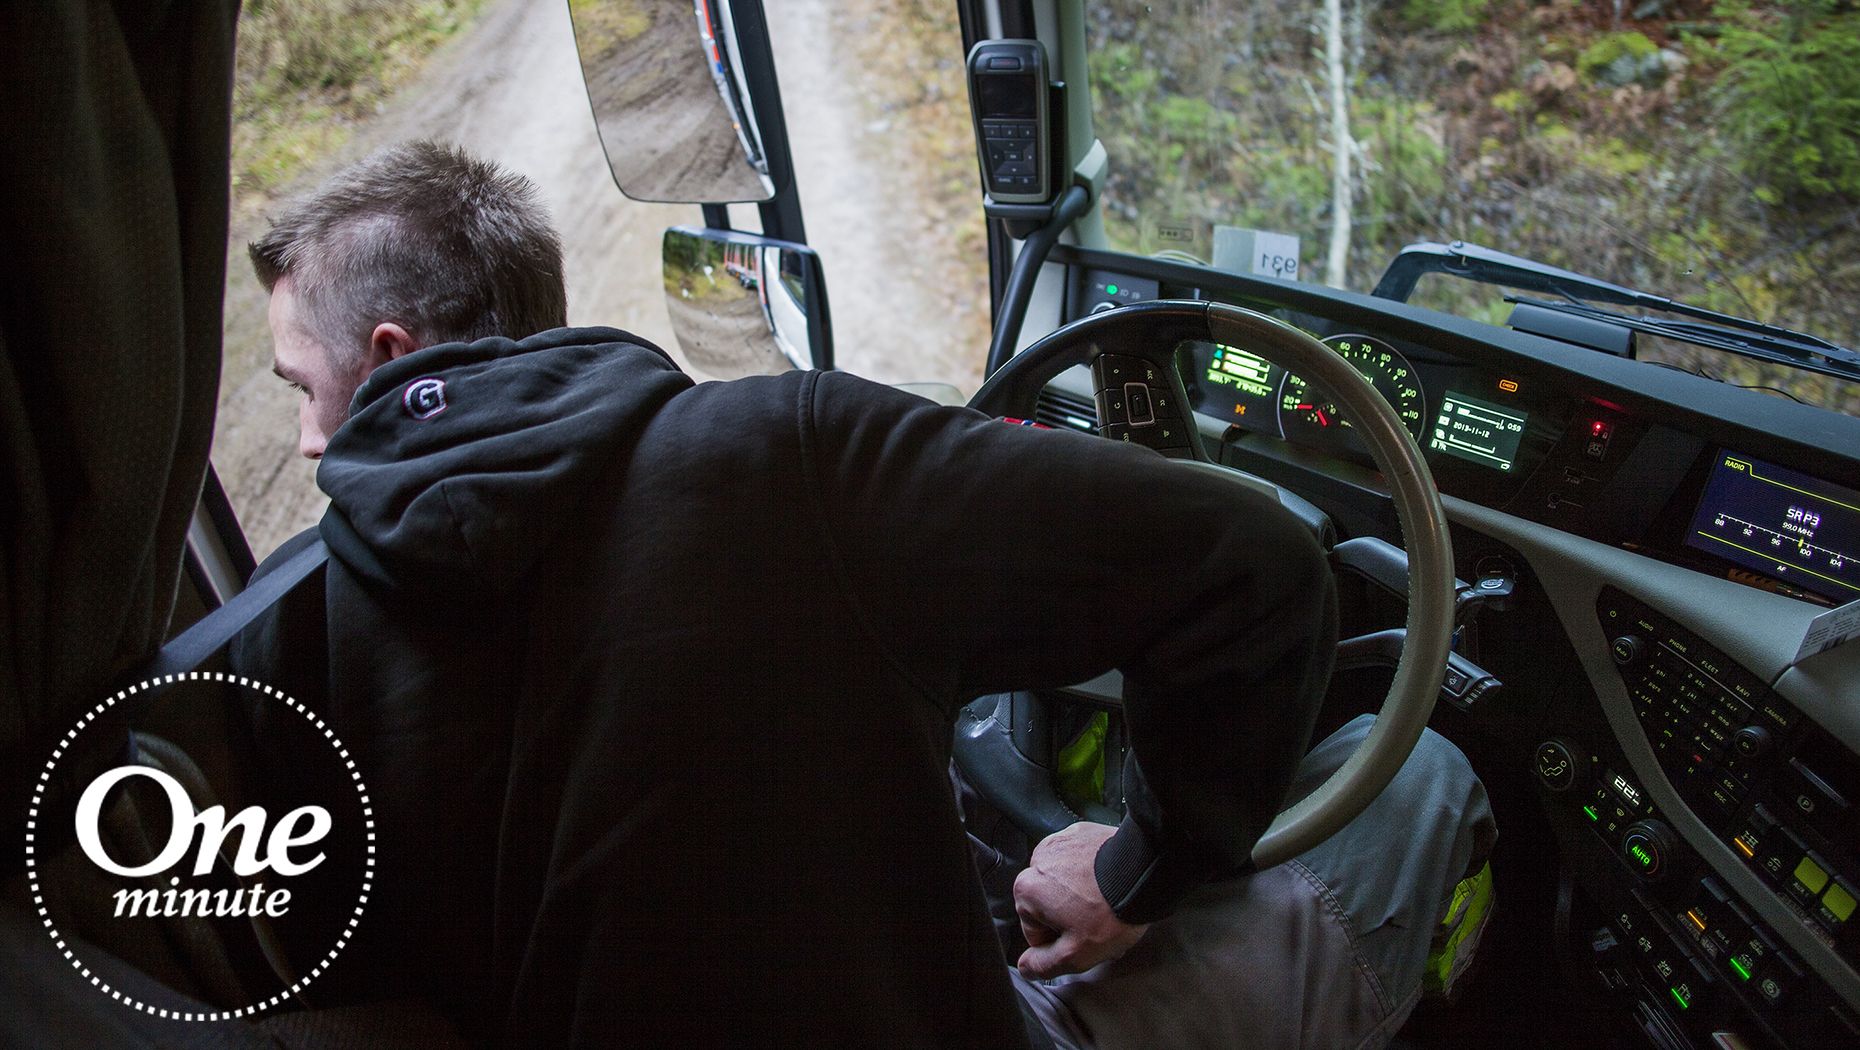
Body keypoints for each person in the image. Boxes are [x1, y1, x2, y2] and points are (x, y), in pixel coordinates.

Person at [233, 140, 1495, 1048]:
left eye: (299, 385)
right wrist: (1137, 868)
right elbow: (1258, 575)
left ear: (394, 357)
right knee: (1424, 778)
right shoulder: (790, 457)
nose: (305, 442)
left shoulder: (292, 620)